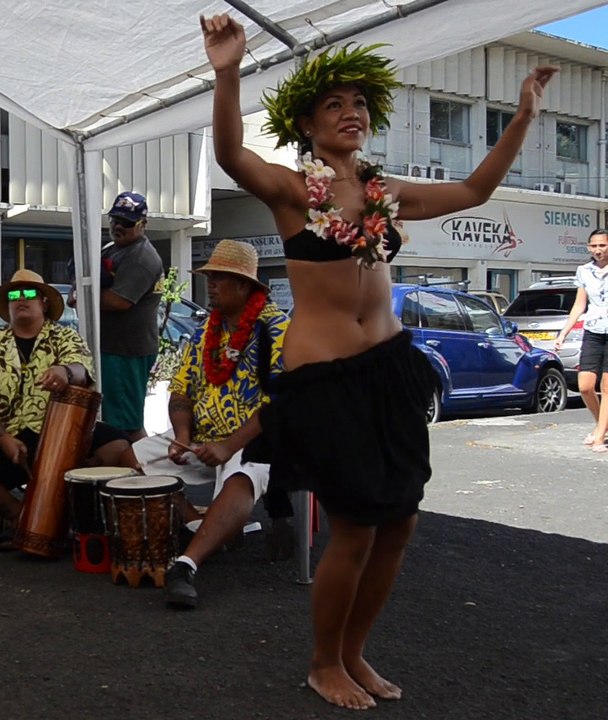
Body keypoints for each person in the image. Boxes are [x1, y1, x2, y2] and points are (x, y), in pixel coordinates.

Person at [202, 13, 555, 710]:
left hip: (389, 368)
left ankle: (355, 652)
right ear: (307, 125)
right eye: (334, 104)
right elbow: (231, 156)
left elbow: (474, 192)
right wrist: (228, 73)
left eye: (359, 103)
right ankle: (322, 661)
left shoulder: (383, 194)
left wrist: (521, 118)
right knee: (356, 525)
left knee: (401, 522)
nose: (351, 112)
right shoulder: (293, 193)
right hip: (325, 380)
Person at [0, 270, 134, 535]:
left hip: (60, 436)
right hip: (5, 438)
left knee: (120, 448)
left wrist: (65, 372)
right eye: (14, 295)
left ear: (44, 302)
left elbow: (82, 369)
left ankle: (100, 517)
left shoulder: (65, 338)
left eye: (29, 293)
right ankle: (21, 515)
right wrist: (3, 438)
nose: (21, 299)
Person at [157, 240, 289, 609]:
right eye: (210, 277)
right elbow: (181, 389)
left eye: (219, 278)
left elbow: (281, 401)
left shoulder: (276, 329)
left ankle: (185, 565)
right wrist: (181, 437)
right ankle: (203, 528)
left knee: (240, 476)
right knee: (127, 458)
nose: (210, 284)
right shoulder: (204, 331)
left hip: (253, 440)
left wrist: (229, 445)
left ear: (244, 285)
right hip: (200, 437)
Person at [69, 191, 163, 442]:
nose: (118, 226)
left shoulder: (141, 257)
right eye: (114, 220)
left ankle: (144, 477)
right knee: (110, 420)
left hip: (126, 350)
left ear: (143, 224)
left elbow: (119, 301)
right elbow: (83, 280)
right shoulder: (112, 247)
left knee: (126, 424)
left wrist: (81, 295)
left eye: (127, 222)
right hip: (110, 347)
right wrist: (78, 288)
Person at [554, 229, 608, 453]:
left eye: (603, 246)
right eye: (594, 246)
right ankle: (601, 426)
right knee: (585, 386)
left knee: (606, 387)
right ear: (588, 248)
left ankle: (600, 438)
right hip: (593, 330)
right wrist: (563, 333)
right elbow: (579, 304)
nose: (598, 250)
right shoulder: (584, 271)